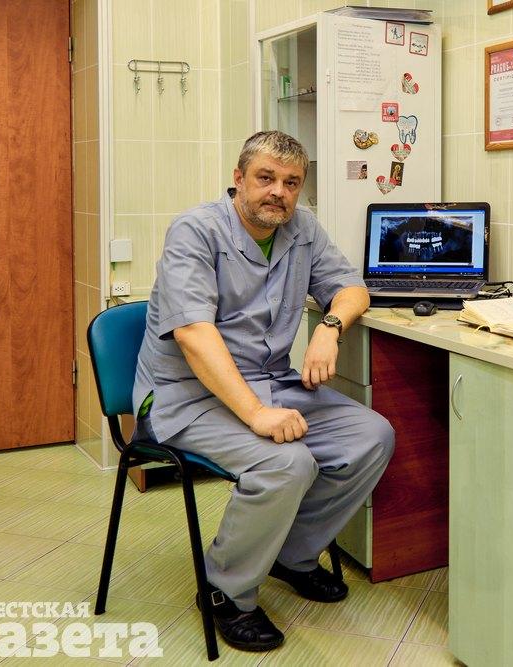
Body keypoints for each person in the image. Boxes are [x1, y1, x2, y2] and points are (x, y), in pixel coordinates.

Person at [131, 131, 395, 652]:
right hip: (185, 396)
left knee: (371, 436)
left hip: (270, 383)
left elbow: (351, 287)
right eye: (266, 178)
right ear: (239, 179)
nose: (279, 192)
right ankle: (225, 589)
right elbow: (193, 334)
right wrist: (255, 414)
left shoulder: (302, 229)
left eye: (292, 183)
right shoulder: (195, 230)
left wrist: (330, 328)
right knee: (286, 463)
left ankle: (290, 554)